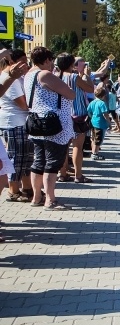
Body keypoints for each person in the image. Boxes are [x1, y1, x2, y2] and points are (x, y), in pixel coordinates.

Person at [23, 47, 75, 210]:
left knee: (38, 162)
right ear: (45, 60)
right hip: (53, 126)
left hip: (36, 123)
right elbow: (70, 94)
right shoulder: (44, 74)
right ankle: (50, 200)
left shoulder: (28, 75)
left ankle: (37, 197)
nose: (52, 63)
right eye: (51, 60)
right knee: (52, 164)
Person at [56, 53, 95, 183]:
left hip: (61, 114)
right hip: (77, 115)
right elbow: (90, 89)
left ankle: (62, 173)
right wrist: (86, 75)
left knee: (63, 146)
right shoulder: (74, 77)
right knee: (77, 146)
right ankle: (78, 175)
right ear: (71, 64)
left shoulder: (56, 76)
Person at [0, 50, 33, 202]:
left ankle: (27, 189)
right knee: (16, 159)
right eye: (22, 61)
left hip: (20, 123)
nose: (25, 64)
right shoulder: (9, 78)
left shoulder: (17, 78)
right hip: (12, 123)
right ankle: (13, 191)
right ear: (11, 62)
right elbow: (22, 104)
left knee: (26, 158)